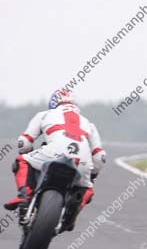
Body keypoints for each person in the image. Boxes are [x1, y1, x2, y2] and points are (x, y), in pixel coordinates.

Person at [4, 90, 106, 231]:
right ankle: (71, 217)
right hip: (81, 161)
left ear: (52, 103)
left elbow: (23, 142)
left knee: (22, 161)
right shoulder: (89, 123)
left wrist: (28, 154)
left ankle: (24, 195)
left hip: (52, 153)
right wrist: (92, 176)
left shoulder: (44, 115)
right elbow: (100, 157)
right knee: (87, 188)